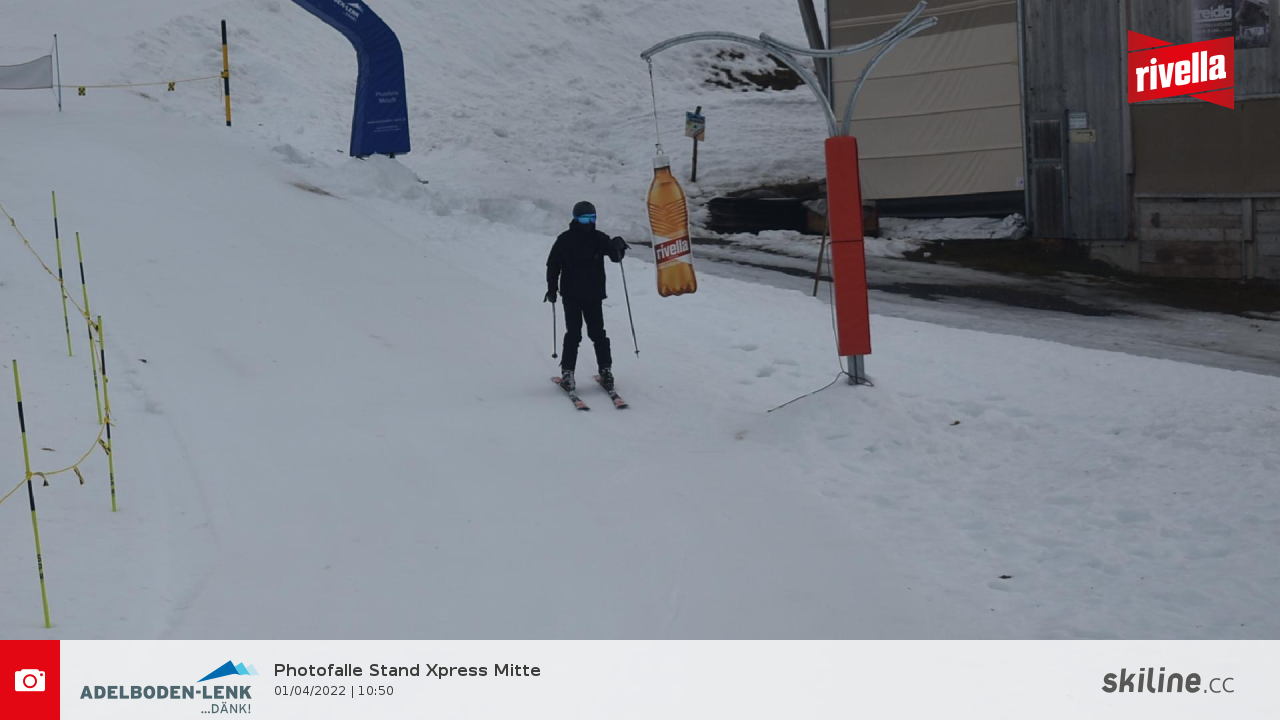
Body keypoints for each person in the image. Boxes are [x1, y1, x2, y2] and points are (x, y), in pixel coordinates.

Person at [545, 201, 628, 392]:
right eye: (584, 219)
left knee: (598, 333)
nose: (588, 223)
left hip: (593, 295)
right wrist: (552, 289)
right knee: (574, 334)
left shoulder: (599, 238)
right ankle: (568, 373)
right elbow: (553, 265)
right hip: (571, 295)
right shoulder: (565, 240)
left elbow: (615, 257)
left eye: (592, 218)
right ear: (575, 219)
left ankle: (606, 370)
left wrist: (619, 246)